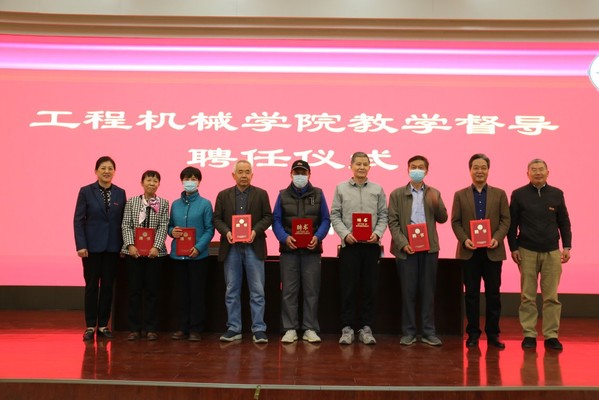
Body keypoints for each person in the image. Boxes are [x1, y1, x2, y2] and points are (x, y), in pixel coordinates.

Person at [508, 159, 572, 351]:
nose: (537, 172)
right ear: (527, 173)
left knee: (551, 297)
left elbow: (564, 222)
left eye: (541, 169)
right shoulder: (518, 194)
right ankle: (529, 334)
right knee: (527, 296)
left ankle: (551, 335)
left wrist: (567, 246)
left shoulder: (557, 194)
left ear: (547, 172)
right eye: (533, 170)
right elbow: (512, 224)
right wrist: (513, 248)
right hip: (526, 250)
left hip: (552, 251)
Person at [451, 153, 510, 349]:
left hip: (493, 251)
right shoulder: (460, 195)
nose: (479, 171)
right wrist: (465, 240)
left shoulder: (499, 194)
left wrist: (497, 238)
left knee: (493, 294)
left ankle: (493, 334)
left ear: (488, 170)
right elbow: (455, 222)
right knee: (471, 294)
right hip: (470, 251)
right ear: (470, 170)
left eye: (483, 167)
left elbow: (505, 220)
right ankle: (473, 334)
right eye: (476, 167)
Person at [388, 155, 448, 346]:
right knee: (408, 292)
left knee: (428, 292)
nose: (416, 170)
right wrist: (402, 243)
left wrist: (436, 204)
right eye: (413, 167)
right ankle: (409, 332)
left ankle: (429, 332)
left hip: (429, 249)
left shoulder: (434, 193)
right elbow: (392, 222)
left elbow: (443, 218)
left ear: (426, 171)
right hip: (406, 249)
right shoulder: (397, 194)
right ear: (408, 170)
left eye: (420, 167)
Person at [330, 151, 388, 345]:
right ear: (351, 166)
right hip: (350, 246)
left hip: (371, 247)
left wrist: (377, 234)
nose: (362, 167)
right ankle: (347, 328)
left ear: (369, 167)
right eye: (358, 164)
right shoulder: (341, 188)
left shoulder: (377, 189)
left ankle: (366, 328)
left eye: (365, 164)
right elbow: (335, 215)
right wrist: (345, 234)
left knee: (369, 288)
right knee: (348, 288)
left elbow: (383, 215)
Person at [213, 160, 273, 343]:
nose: (244, 175)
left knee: (257, 291)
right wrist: (227, 232)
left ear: (252, 175)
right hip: (231, 248)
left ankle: (259, 329)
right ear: (234, 175)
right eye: (240, 172)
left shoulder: (261, 194)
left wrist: (254, 231)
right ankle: (234, 328)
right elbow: (217, 219)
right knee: (232, 290)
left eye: (247, 172)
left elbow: (268, 217)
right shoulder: (223, 195)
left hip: (254, 247)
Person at [272, 160, 331, 344]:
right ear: (291, 174)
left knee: (311, 291)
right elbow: (276, 220)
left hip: (312, 252)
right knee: (289, 291)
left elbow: (326, 219)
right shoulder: (282, 195)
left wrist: (318, 237)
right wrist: (284, 238)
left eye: (303, 173)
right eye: (296, 172)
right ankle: (289, 328)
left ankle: (309, 328)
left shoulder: (318, 194)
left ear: (309, 175)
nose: (300, 176)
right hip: (289, 251)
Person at [74, 156, 126, 341]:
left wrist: (124, 245)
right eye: (103, 168)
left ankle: (103, 325)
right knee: (91, 287)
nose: (107, 171)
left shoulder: (120, 193)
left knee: (107, 287)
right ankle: (90, 326)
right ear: (96, 171)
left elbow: (123, 221)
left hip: (113, 248)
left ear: (114, 171)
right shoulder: (86, 191)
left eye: (110, 168)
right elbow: (78, 220)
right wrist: (81, 245)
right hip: (91, 248)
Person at [121, 170, 169, 341]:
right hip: (133, 253)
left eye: (155, 181)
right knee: (134, 291)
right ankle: (134, 328)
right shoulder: (132, 201)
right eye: (148, 180)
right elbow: (126, 225)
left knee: (152, 292)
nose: (151, 183)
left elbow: (163, 226)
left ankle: (151, 328)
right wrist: (130, 245)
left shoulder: (163, 203)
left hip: (154, 255)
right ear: (142, 183)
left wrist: (156, 246)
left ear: (159, 184)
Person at [168, 166, 215, 341]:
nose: (190, 182)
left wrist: (199, 247)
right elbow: (170, 226)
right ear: (182, 181)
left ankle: (196, 329)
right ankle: (183, 327)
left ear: (199, 182)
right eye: (187, 179)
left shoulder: (205, 204)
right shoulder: (175, 204)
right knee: (182, 293)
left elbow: (210, 229)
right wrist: (172, 232)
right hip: (178, 256)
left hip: (198, 256)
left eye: (194, 179)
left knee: (196, 293)